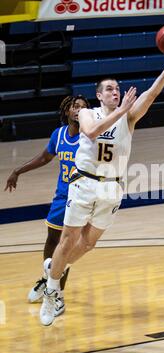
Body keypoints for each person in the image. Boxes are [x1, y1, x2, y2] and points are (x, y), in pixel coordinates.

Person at [39, 43, 164, 326]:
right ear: (99, 95)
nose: (115, 91)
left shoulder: (129, 116)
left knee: (88, 244)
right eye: (109, 88)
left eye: (117, 88)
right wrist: (120, 110)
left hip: (112, 188)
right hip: (84, 184)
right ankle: (51, 291)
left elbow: (153, 92)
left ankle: (53, 271)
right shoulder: (87, 113)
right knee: (68, 239)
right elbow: (93, 132)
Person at [5, 95, 90, 315]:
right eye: (75, 106)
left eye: (83, 107)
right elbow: (44, 158)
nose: (78, 110)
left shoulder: (90, 137)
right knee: (51, 240)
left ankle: (58, 296)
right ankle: (48, 278)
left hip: (81, 198)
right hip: (61, 198)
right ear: (67, 111)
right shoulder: (59, 135)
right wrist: (17, 171)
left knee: (66, 246)